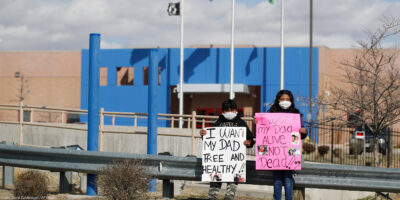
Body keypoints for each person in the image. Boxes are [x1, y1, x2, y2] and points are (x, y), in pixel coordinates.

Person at [200, 99, 255, 200]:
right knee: (213, 192)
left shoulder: (241, 123)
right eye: (226, 110)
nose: (229, 112)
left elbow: (250, 138)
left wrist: (249, 142)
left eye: (232, 110)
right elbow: (210, 139)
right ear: (223, 111)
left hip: (234, 163)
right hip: (218, 163)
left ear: (236, 110)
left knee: (230, 192)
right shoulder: (219, 122)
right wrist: (203, 135)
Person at [268, 89, 307, 200]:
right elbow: (265, 129)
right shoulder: (272, 112)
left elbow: (301, 133)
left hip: (290, 150)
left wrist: (304, 132)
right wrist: (259, 122)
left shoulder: (295, 113)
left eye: (287, 99)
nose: (285, 101)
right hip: (276, 151)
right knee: (277, 179)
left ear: (291, 101)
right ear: (278, 100)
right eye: (282, 99)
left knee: (288, 178)